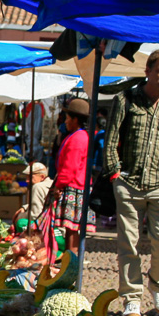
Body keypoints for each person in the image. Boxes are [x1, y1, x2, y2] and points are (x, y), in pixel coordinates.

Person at [104, 49, 159, 316]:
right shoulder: (126, 99)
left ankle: (157, 285)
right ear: (148, 71)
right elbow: (110, 140)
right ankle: (131, 297)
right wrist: (114, 173)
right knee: (128, 243)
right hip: (129, 182)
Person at [46, 98, 92, 254]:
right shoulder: (80, 136)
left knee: (72, 229)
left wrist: (59, 185)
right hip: (76, 185)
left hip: (74, 187)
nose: (65, 121)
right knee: (72, 229)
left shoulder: (78, 139)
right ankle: (70, 259)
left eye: (67, 118)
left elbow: (70, 167)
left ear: (75, 119)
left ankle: (71, 259)